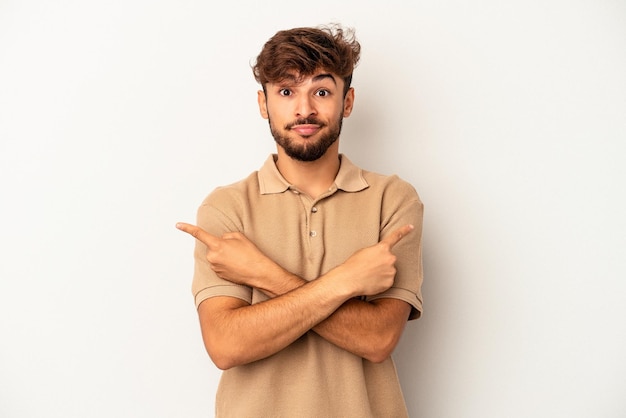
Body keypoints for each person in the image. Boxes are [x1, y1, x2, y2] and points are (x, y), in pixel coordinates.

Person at [177, 23, 424, 418]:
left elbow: (378, 339)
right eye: (286, 91)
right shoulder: (226, 207)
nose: (304, 109)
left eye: (321, 92)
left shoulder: (392, 200)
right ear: (263, 104)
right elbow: (225, 345)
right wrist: (347, 281)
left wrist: (263, 274)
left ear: (347, 102)